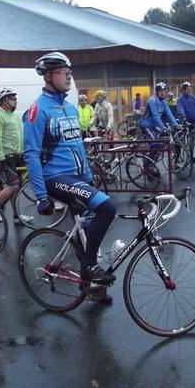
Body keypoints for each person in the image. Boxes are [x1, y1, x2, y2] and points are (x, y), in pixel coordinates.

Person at [24, 51, 116, 285]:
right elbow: (32, 154)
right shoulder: (38, 110)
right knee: (107, 208)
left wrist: (88, 177)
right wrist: (41, 196)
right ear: (48, 76)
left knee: (88, 231)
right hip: (55, 177)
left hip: (78, 178)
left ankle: (93, 287)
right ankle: (89, 268)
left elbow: (76, 146)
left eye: (70, 74)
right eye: (64, 73)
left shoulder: (71, 108)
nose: (69, 78)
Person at [0, 87, 34, 225]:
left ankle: (16, 216)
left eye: (15, 98)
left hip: (18, 154)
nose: (16, 101)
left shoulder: (14, 116)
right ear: (4, 101)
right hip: (6, 156)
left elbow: (19, 136)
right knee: (12, 186)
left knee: (17, 187)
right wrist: (0, 158)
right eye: (13, 99)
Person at [176, 81, 195, 163]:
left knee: (192, 139)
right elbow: (180, 109)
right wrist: (183, 118)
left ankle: (191, 155)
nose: (190, 90)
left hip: (193, 122)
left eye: (190, 89)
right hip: (184, 122)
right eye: (188, 89)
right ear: (183, 90)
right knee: (180, 140)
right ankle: (177, 157)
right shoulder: (180, 99)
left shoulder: (193, 98)